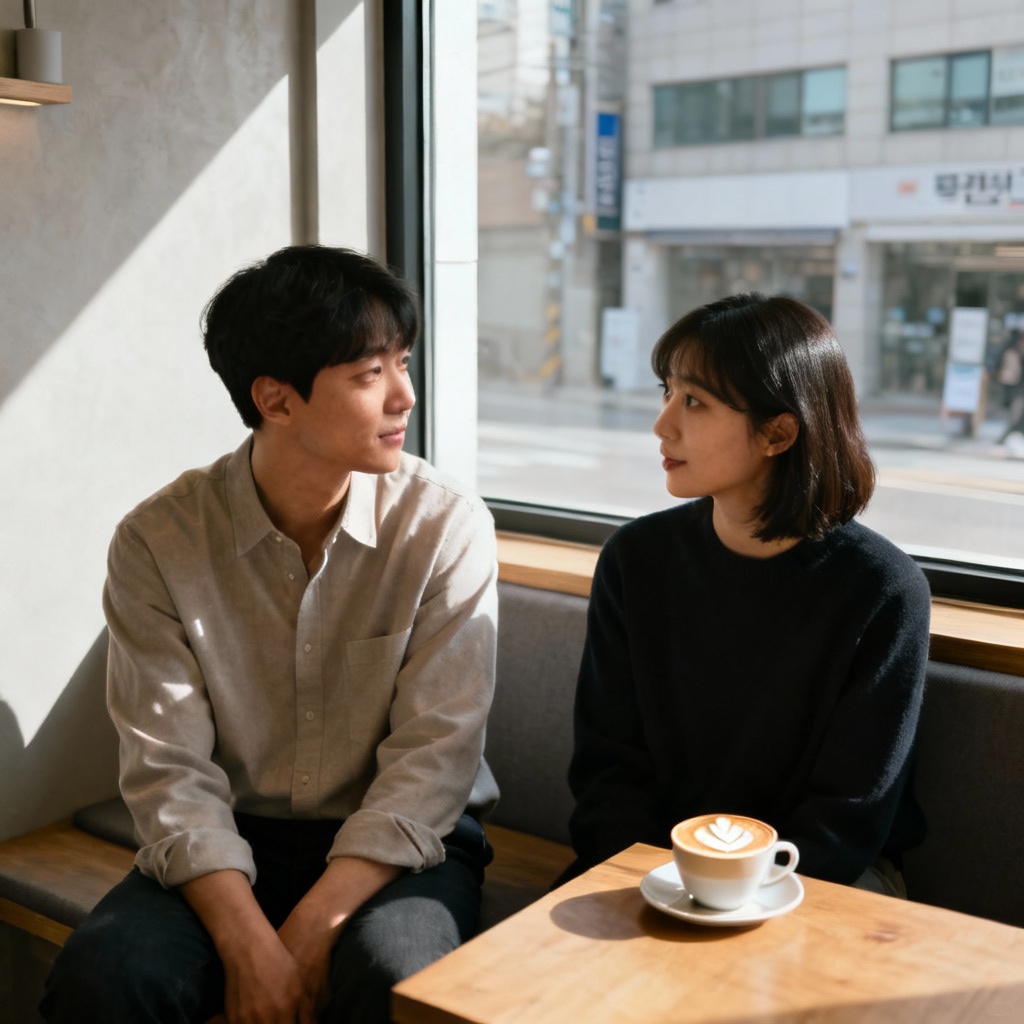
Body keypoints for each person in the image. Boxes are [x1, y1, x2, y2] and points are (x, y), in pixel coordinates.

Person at [41, 245, 499, 1024]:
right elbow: (169, 771)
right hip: (227, 838)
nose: (405, 396)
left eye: (404, 361)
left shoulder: (446, 526)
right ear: (276, 400)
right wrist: (250, 943)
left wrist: (308, 933)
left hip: (405, 839)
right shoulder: (159, 540)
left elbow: (434, 759)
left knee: (398, 978)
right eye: (369, 375)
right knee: (106, 980)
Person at [560, 293, 930, 898]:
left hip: (817, 879)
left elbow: (849, 815)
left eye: (695, 402)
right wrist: (656, 880)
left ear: (778, 433)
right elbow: (608, 770)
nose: (663, 424)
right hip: (650, 865)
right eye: (667, 392)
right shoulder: (636, 559)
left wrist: (727, 893)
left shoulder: (882, 591)